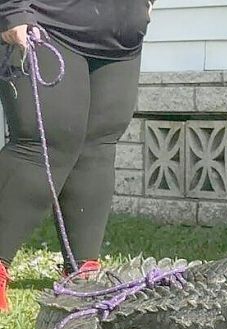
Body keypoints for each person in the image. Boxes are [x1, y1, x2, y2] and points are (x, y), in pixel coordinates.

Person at [0, 0, 154, 311]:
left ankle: (82, 271)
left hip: (120, 36)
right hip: (47, 21)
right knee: (40, 146)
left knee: (97, 147)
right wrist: (11, 10)